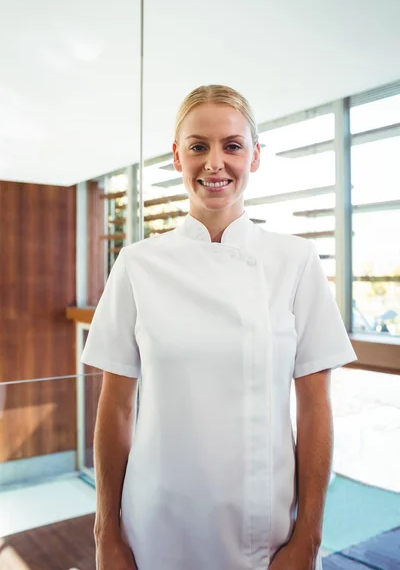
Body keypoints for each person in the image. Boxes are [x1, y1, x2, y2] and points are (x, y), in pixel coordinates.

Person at [82, 84, 357, 570]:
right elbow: (117, 407)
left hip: (263, 530)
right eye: (197, 146)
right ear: (176, 156)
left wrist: (308, 538)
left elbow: (315, 407)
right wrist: (107, 533)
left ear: (254, 157)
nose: (214, 163)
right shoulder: (136, 264)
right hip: (154, 524)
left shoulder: (295, 261)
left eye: (232, 145)